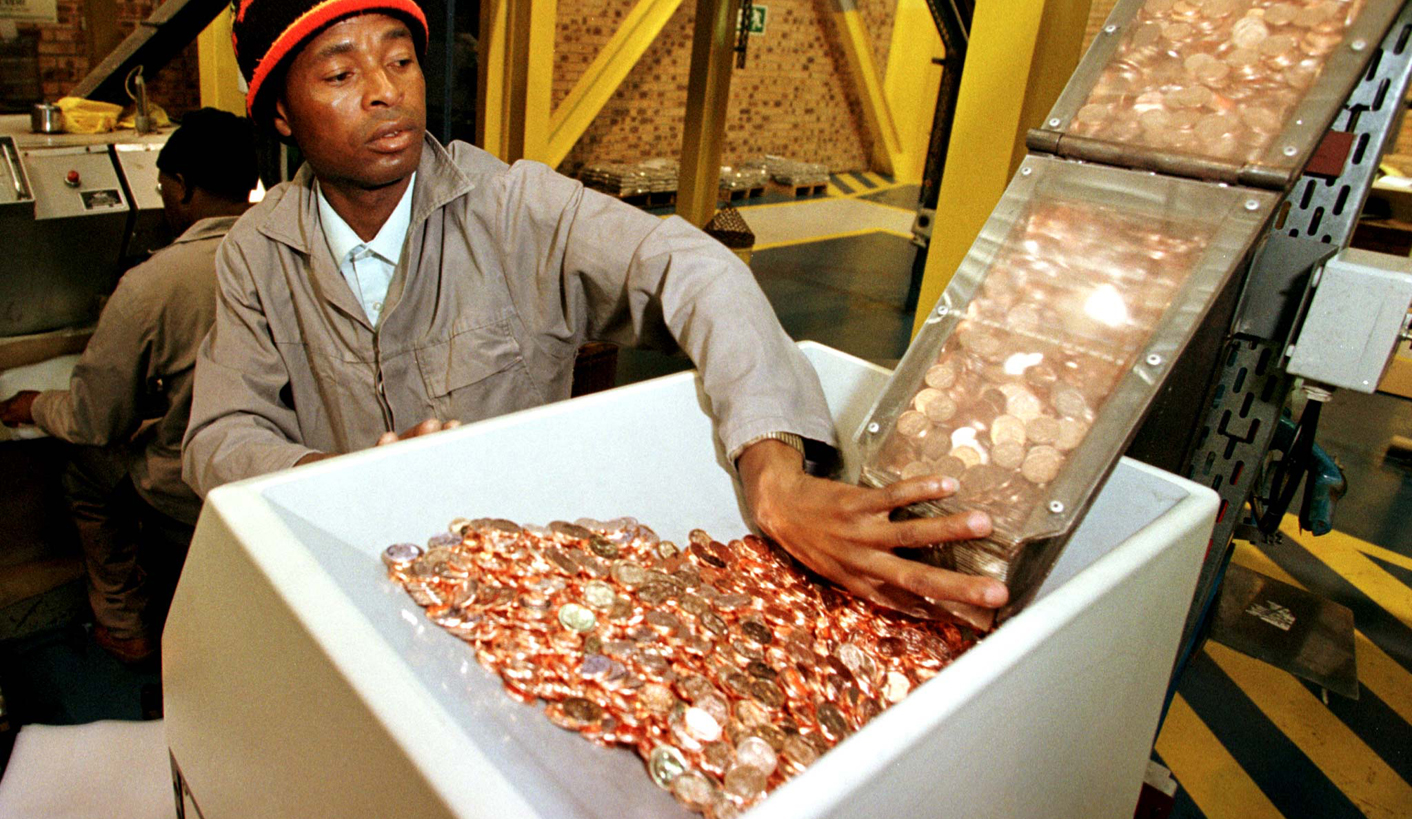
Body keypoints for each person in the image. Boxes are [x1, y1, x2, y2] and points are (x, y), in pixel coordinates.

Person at [183, 0, 1007, 622]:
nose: (384, 93)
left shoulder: (515, 209)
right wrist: (342, 474)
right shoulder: (256, 254)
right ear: (282, 114)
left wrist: (773, 470)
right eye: (339, 73)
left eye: (400, 61)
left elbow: (691, 267)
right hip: (358, 576)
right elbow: (220, 437)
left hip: (523, 584)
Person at [0, 108, 257, 662]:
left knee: (84, 471)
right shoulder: (289, 252)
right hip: (274, 472)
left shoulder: (151, 284)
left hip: (192, 486)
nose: (163, 203)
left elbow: (96, 420)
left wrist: (35, 406)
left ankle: (126, 622)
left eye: (163, 189)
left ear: (183, 187)